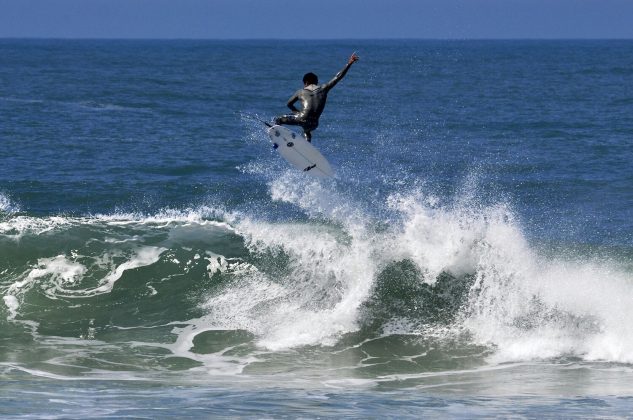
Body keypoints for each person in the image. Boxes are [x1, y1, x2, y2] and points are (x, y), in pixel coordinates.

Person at [274, 52, 359, 142]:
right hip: (314, 124)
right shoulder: (324, 88)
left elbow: (289, 104)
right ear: (316, 82)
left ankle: (277, 134)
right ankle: (307, 142)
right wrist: (349, 63)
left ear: (305, 82)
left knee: (278, 119)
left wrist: (297, 112)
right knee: (307, 130)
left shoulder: (300, 91)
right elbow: (338, 77)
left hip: (301, 118)